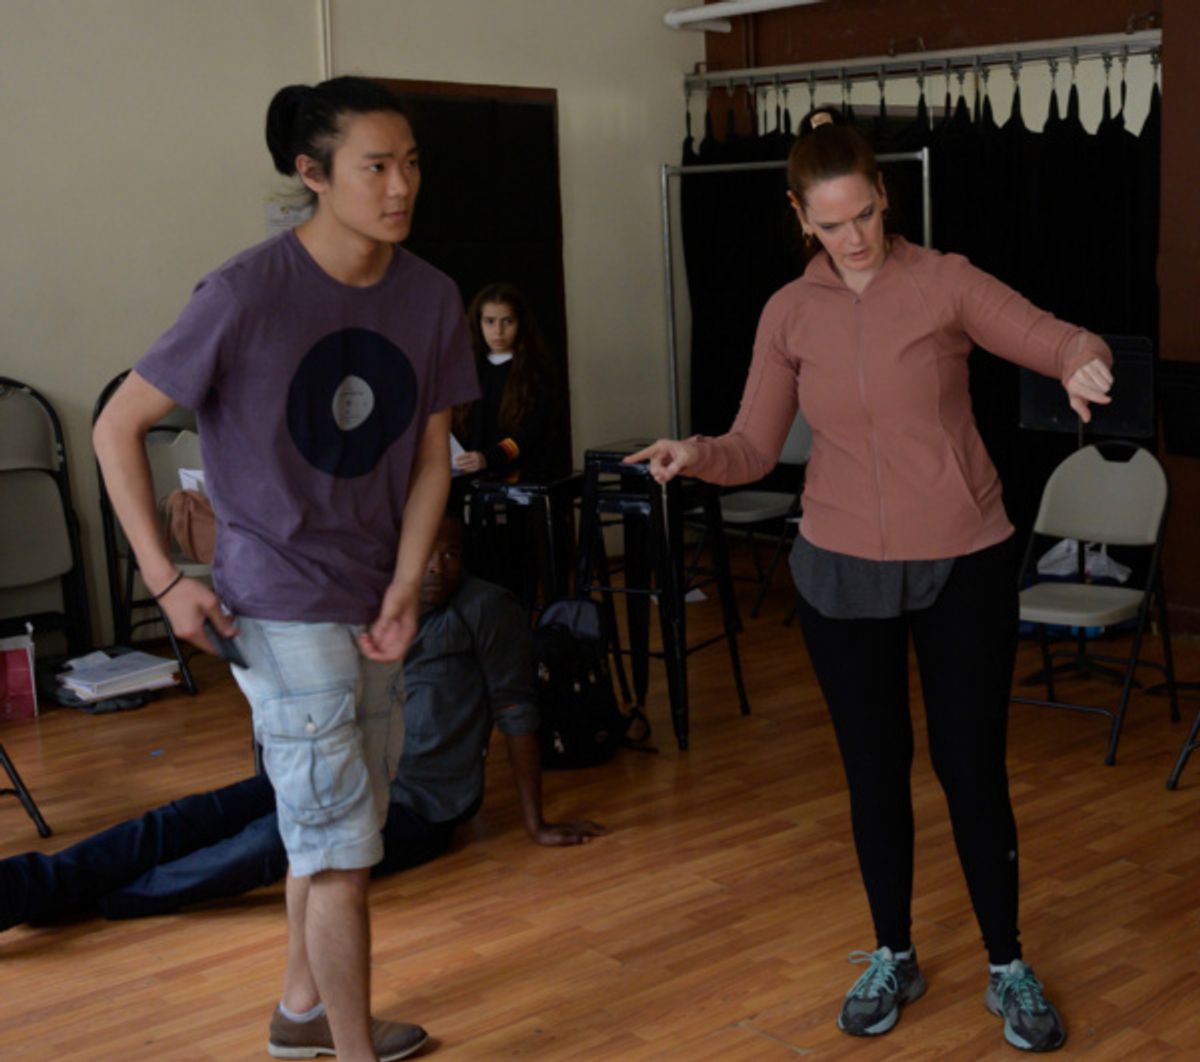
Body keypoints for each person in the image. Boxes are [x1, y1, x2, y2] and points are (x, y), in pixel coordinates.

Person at [627, 106, 1114, 1054]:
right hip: (840, 571)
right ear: (800, 216)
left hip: (962, 558)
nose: (852, 239)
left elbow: (1052, 336)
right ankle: (892, 949)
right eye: (831, 222)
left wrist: (1083, 361)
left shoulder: (944, 283)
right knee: (873, 773)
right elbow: (754, 445)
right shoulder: (789, 313)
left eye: (864, 216)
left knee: (971, 772)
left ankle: (1007, 964)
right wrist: (694, 453)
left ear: (885, 197)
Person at [93, 77, 479, 1062]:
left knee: (336, 824)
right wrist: (168, 580)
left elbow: (433, 453)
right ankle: (347, 1052)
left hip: (377, 598)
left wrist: (404, 583)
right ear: (314, 175)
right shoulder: (243, 293)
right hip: (275, 599)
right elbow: (116, 425)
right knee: (345, 852)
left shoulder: (431, 296)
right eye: (376, 166)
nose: (402, 186)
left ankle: (302, 1013)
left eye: (412, 162)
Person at [0, 516, 603, 930]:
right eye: (426, 553)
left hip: (417, 805)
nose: (439, 567)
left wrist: (536, 822)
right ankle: (32, 886)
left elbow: (517, 710)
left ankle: (95, 899)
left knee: (263, 847)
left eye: (452, 553)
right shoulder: (370, 599)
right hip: (331, 759)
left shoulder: (486, 609)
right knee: (188, 817)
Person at [452, 282, 561, 483]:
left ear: (520, 323)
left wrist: (489, 459)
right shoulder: (468, 370)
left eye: (507, 321)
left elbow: (532, 432)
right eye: (490, 321)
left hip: (521, 472)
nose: (498, 331)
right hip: (470, 471)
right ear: (478, 323)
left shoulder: (535, 371)